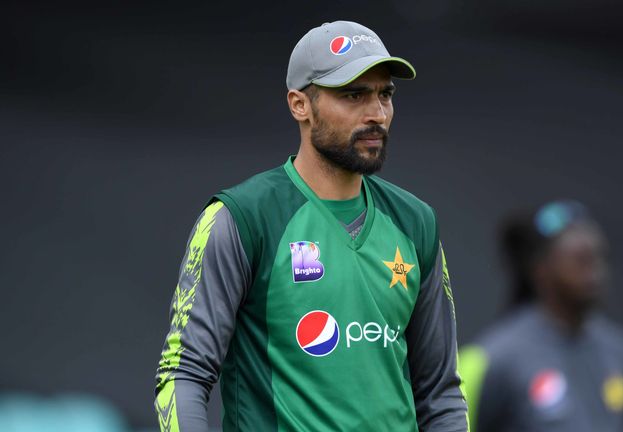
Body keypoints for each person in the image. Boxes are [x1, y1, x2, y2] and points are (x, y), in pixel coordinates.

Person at [153, 20, 468, 432]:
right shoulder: (243, 217)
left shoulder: (416, 222)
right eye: (354, 95)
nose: (377, 113)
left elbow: (440, 393)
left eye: (385, 95)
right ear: (300, 104)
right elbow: (183, 373)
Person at [459, 200, 623, 432]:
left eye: (599, 258)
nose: (596, 273)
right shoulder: (489, 360)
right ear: (540, 269)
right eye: (581, 260)